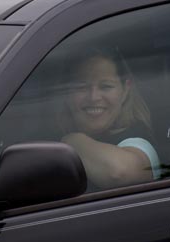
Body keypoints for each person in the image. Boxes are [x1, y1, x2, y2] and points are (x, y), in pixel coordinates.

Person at [57, 47, 160, 190]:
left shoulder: (139, 143)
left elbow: (119, 173)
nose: (94, 97)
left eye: (105, 86)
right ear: (67, 95)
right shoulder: (48, 139)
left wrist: (71, 141)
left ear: (125, 90)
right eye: (82, 87)